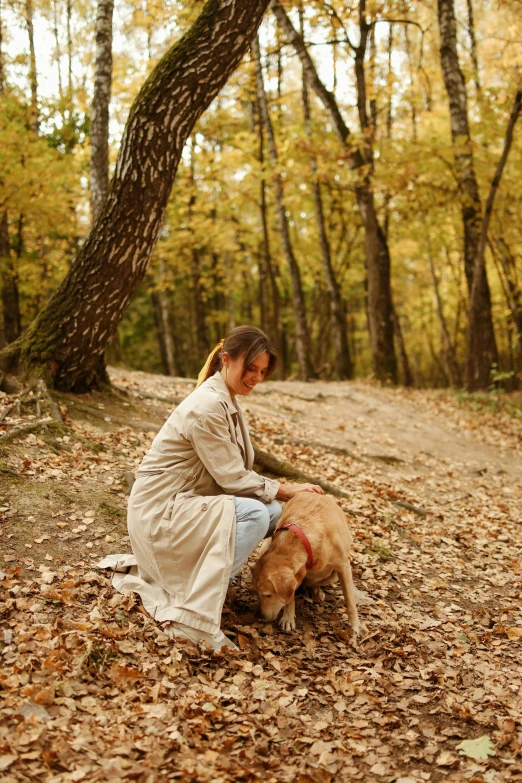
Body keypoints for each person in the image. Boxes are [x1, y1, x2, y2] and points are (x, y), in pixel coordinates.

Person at [99, 326, 323, 651]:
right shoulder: (206, 407)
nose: (256, 378)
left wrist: (280, 494)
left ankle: (224, 582)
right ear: (226, 359)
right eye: (251, 368)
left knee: (273, 512)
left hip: (188, 502)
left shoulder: (226, 400)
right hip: (162, 509)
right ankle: (197, 610)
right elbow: (233, 478)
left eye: (262, 371)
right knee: (258, 514)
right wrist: (289, 489)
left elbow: (234, 473)